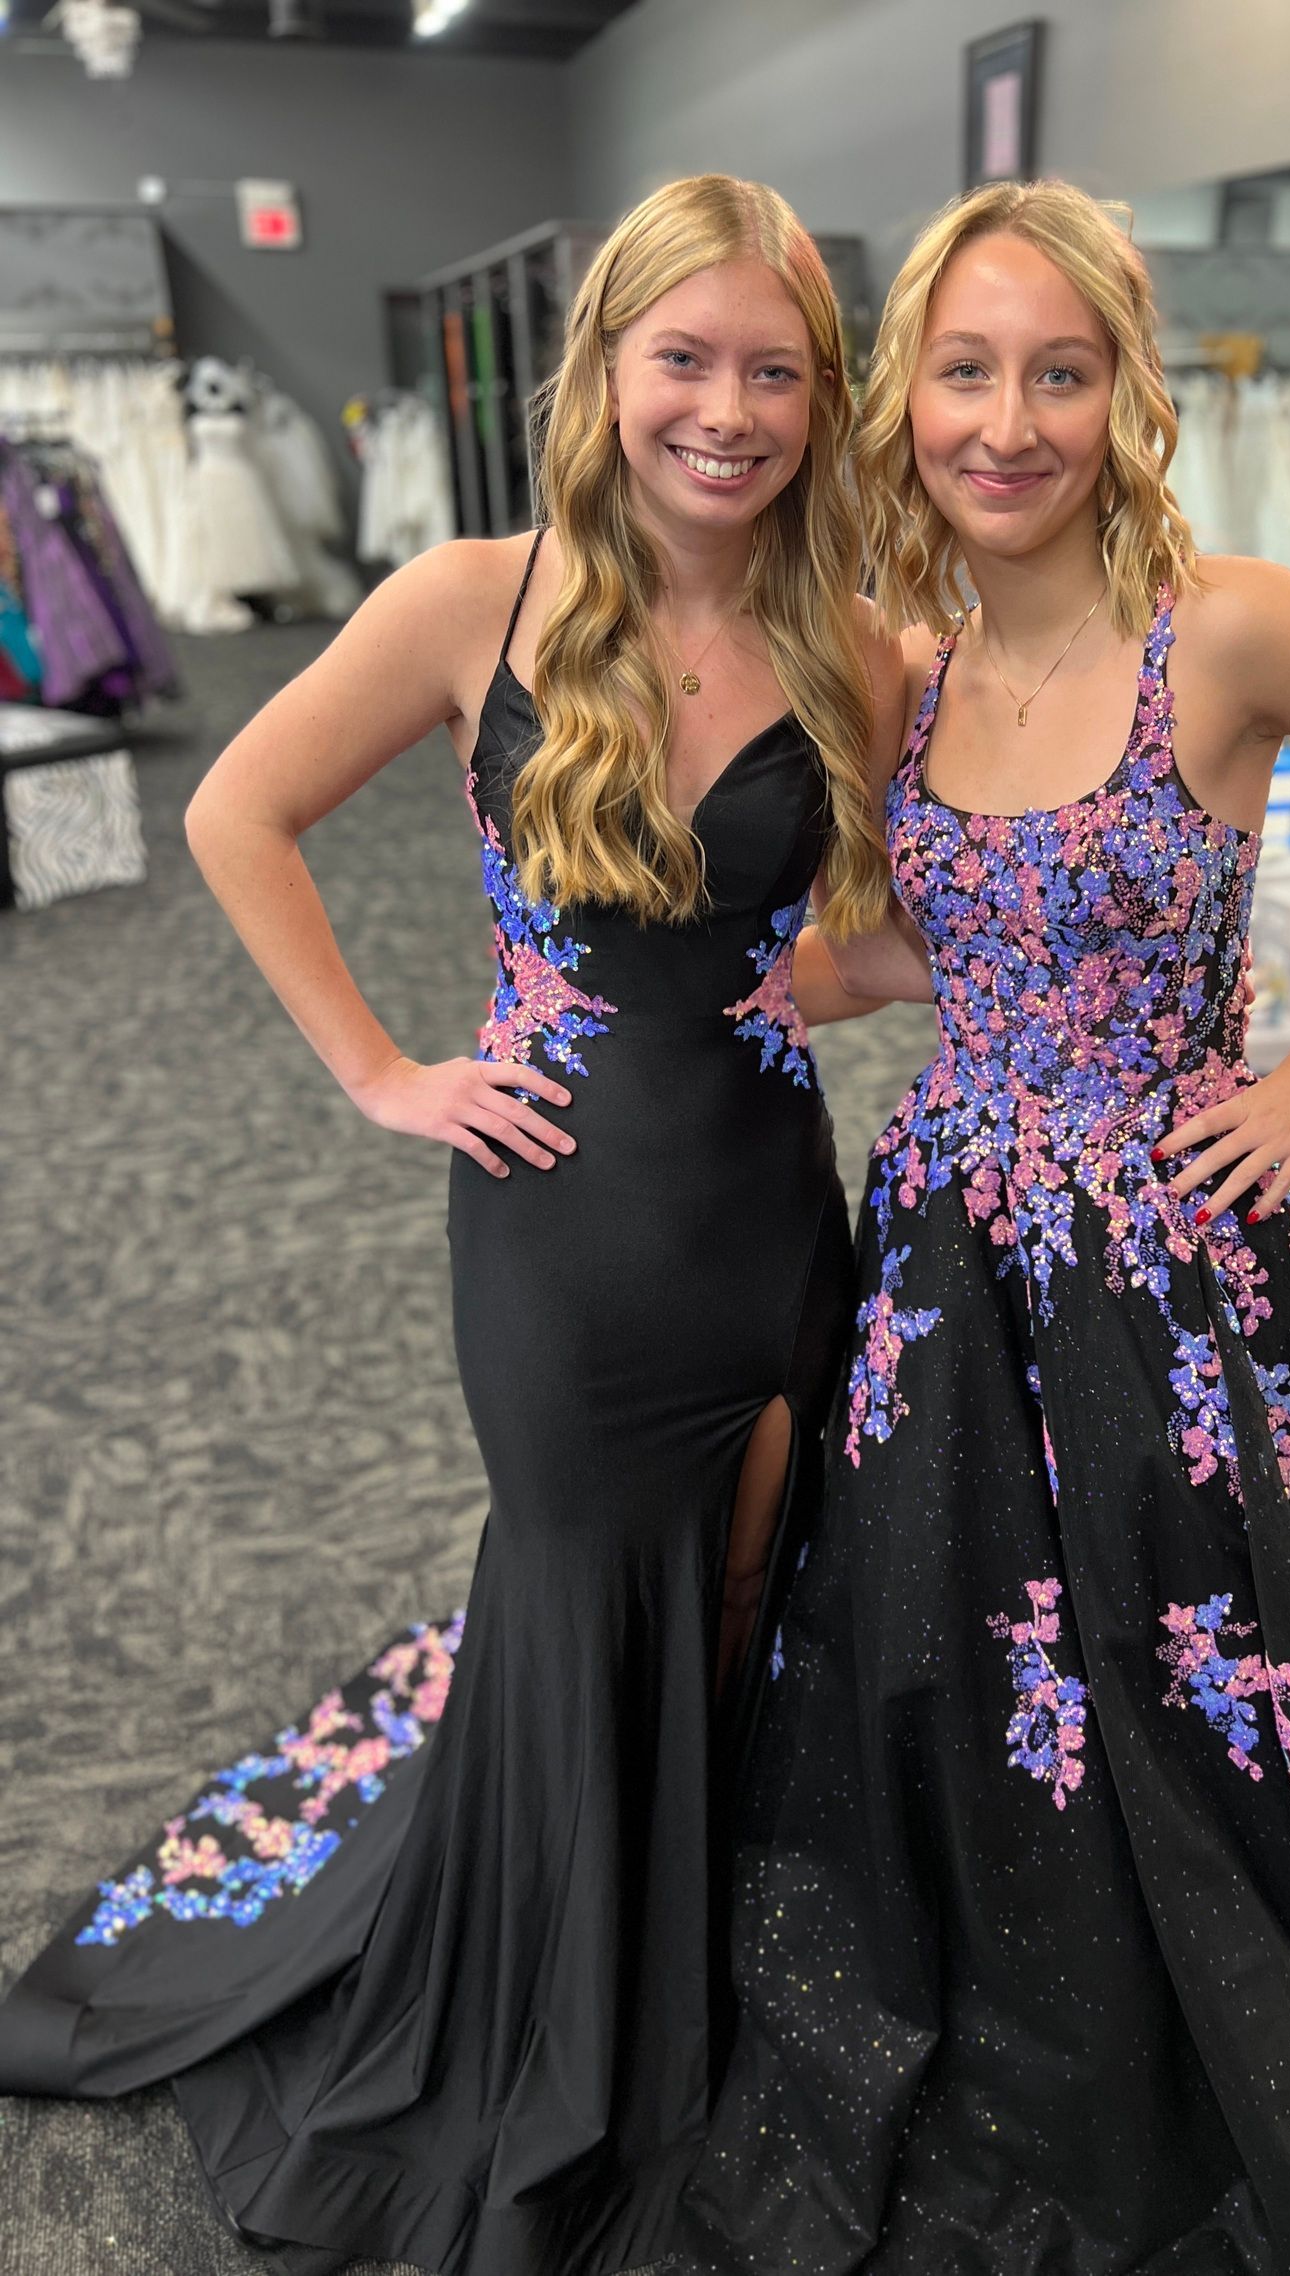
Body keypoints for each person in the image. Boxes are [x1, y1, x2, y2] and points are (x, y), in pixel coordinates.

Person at [671, 178, 1290, 2274]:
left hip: (1180, 1256)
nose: (1005, 420)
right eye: (962, 371)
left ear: (1122, 389)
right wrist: (745, 983)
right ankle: (1046, 1984)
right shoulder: (910, 667)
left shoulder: (1229, 625)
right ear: (904, 398)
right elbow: (949, 936)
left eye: (1057, 370)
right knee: (974, 1653)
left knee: (1196, 1655)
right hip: (951, 1246)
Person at [0, 173, 902, 2276]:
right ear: (600, 369)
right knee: (592, 1596)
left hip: (770, 1193)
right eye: (684, 356)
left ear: (817, 399)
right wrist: (379, 1071)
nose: (728, 407)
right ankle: (573, 2030)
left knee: (757, 1578)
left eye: (775, 369)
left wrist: (876, 972)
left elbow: (982, 869)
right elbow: (236, 809)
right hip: (559, 1218)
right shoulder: (468, 599)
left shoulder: (846, 626)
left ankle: (687, 1963)